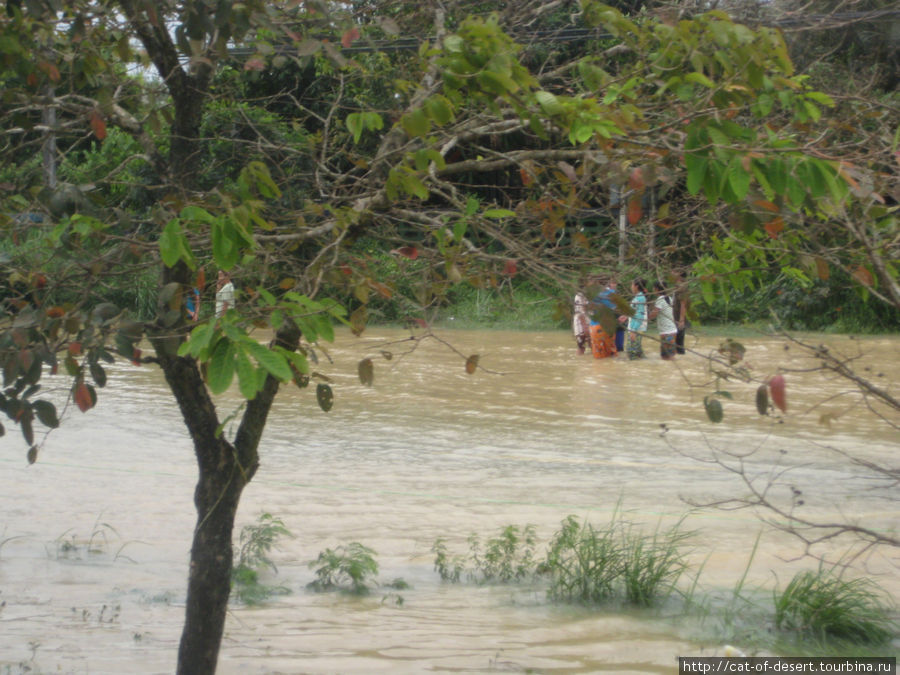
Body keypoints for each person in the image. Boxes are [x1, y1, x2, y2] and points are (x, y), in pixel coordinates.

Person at [588, 278, 618, 359]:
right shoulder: (613, 293)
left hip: (596, 326)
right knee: (612, 354)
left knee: (599, 358)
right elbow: (617, 308)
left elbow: (589, 309)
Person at [619, 278, 648, 360]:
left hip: (635, 328)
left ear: (636, 286)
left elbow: (640, 315)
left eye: (632, 285)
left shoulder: (640, 298)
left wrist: (633, 330)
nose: (631, 287)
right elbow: (635, 312)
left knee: (631, 354)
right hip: (637, 328)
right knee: (638, 353)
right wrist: (626, 316)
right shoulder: (639, 297)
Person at [649, 281, 677, 360]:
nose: (653, 289)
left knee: (666, 356)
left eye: (654, 288)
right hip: (672, 329)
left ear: (657, 289)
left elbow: (654, 314)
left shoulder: (660, 299)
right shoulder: (669, 298)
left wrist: (645, 318)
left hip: (666, 331)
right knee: (670, 355)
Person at [672, 271, 690, 355]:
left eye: (674, 271)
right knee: (676, 344)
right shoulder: (677, 286)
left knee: (678, 345)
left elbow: (683, 303)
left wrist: (681, 320)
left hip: (678, 319)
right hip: (675, 318)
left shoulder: (682, 288)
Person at [572, 290, 591, 355]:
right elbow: (580, 312)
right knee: (581, 345)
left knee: (592, 345)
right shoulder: (580, 295)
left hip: (590, 320)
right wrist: (585, 326)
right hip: (581, 322)